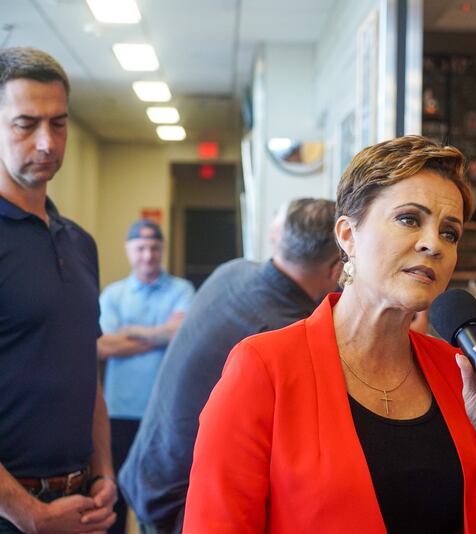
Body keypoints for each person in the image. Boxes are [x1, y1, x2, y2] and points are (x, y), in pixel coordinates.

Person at [183, 135, 476, 532]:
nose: (433, 244)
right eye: (409, 219)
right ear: (348, 235)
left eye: (449, 233)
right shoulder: (264, 368)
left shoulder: (458, 373)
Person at [118, 198, 342, 533]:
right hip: (182, 501)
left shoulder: (233, 270)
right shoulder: (287, 330)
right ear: (335, 270)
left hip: (149, 467)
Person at [0, 47, 116, 533]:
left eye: (59, 123)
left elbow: (83, 368)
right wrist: (28, 515)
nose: (47, 142)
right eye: (25, 124)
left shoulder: (80, 242)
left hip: (80, 505)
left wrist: (104, 469)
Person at [97, 219, 194, 533]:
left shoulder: (181, 289)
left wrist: (132, 331)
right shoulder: (114, 295)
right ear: (129, 250)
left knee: (159, 496)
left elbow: (181, 333)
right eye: (141, 248)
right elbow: (103, 346)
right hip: (120, 411)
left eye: (154, 248)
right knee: (115, 492)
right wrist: (160, 335)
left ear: (162, 250)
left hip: (164, 411)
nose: (148, 255)